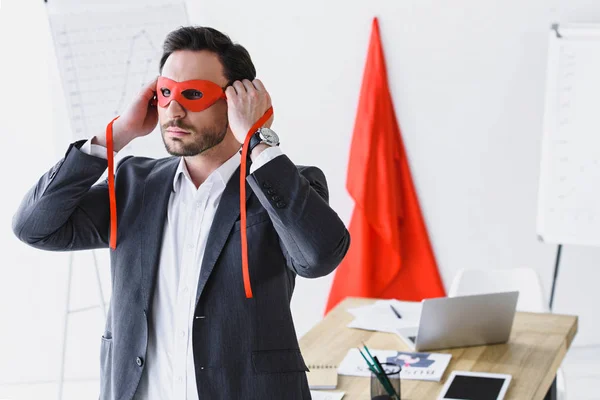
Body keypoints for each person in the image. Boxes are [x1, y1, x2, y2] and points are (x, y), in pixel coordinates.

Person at [12, 26, 350, 400]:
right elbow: (34, 227)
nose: (174, 110)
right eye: (165, 93)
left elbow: (318, 256)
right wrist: (116, 136)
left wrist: (258, 142)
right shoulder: (134, 185)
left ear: (238, 100)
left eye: (193, 94)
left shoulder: (283, 184)